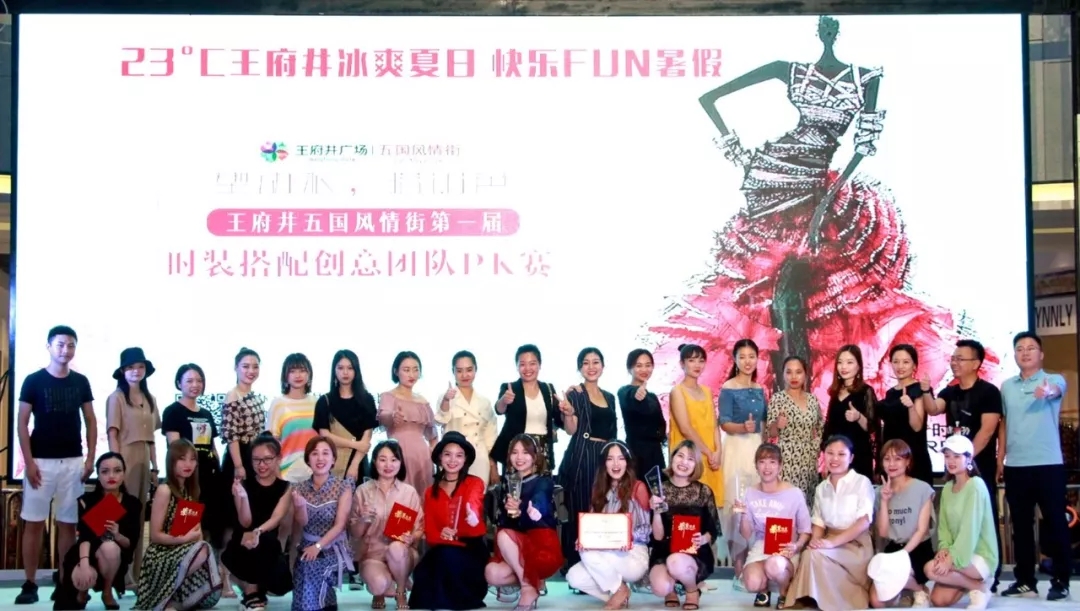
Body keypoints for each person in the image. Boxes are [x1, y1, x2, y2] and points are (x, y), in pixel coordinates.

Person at [16, 325, 97, 605]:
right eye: (60, 344)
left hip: (73, 462)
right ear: (49, 346)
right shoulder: (33, 381)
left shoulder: (81, 381)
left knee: (68, 525)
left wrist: (90, 458)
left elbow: (91, 420)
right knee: (34, 523)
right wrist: (29, 462)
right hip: (40, 462)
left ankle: (64, 581)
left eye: (71, 345)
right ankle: (29, 583)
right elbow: (22, 423)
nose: (66, 350)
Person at [998, 331, 1071, 601]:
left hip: (1048, 465)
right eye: (1020, 348)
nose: (1025, 352)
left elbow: (1055, 390)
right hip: (1016, 466)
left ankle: (1061, 580)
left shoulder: (1054, 379)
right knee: (1021, 527)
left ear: (1041, 354)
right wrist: (1000, 459)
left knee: (1055, 523)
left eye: (1030, 348)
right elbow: (1005, 424)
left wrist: (1047, 391)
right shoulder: (1007, 386)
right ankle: (1025, 580)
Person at [931, 339, 1004, 591]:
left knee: (983, 520)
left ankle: (989, 575)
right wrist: (925, 391)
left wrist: (965, 458)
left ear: (976, 363)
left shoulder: (989, 392)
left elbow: (987, 431)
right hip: (955, 470)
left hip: (979, 468)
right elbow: (933, 409)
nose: (954, 362)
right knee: (954, 519)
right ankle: (966, 575)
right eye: (953, 358)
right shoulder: (949, 392)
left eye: (960, 358)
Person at [784, 435, 875, 611]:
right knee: (810, 554)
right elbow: (819, 524)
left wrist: (831, 543)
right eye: (830, 453)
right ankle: (809, 600)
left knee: (817, 556)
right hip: (829, 542)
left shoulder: (861, 483)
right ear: (823, 455)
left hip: (855, 545)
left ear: (851, 458)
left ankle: (840, 602)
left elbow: (863, 522)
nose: (834, 459)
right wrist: (814, 543)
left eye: (841, 454)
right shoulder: (821, 488)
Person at [134, 439, 222, 610]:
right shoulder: (165, 490)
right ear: (171, 461)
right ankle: (163, 598)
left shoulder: (191, 491)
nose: (188, 464)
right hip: (161, 554)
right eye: (182, 459)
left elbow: (196, 533)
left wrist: (197, 544)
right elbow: (155, 536)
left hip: (185, 552)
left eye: (192, 459)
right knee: (202, 549)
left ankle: (173, 599)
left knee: (204, 549)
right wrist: (184, 539)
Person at [409, 431, 490, 610]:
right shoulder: (430, 492)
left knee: (447, 557)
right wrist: (443, 535)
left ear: (465, 459)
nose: (453, 460)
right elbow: (431, 530)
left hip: (470, 548)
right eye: (447, 454)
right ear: (440, 457)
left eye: (459, 455)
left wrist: (472, 516)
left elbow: (474, 502)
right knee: (425, 570)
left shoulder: (475, 483)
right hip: (442, 546)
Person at [566, 441, 652, 610]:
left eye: (621, 458)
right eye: (610, 459)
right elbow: (591, 525)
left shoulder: (638, 487)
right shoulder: (598, 489)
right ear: (604, 463)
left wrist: (622, 537)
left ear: (627, 462)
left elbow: (645, 532)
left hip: (633, 553)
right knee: (573, 577)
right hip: (604, 553)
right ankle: (619, 591)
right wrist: (583, 538)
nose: (615, 464)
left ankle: (618, 590)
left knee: (588, 552)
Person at [53, 452, 143, 611]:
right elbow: (84, 537)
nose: (111, 476)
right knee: (69, 600)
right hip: (84, 553)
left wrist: (117, 535)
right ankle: (82, 591)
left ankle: (107, 592)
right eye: (105, 471)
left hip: (114, 558)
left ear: (124, 473)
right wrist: (84, 565)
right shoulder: (86, 500)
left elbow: (130, 544)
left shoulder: (132, 503)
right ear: (98, 475)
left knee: (110, 547)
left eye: (117, 470)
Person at [485, 434, 564, 611]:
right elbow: (503, 520)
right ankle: (533, 580)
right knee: (492, 573)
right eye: (515, 452)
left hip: (540, 545)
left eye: (525, 452)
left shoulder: (543, 481)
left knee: (504, 536)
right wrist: (510, 512)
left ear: (535, 456)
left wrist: (527, 510)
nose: (519, 457)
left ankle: (528, 589)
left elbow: (540, 502)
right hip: (515, 549)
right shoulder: (507, 482)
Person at [557, 347, 617, 572]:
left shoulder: (610, 397)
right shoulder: (575, 394)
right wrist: (568, 413)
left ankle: (601, 566)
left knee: (603, 509)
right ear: (579, 368)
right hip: (582, 456)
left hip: (605, 457)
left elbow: (613, 432)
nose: (591, 367)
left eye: (595, 362)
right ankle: (576, 566)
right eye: (585, 363)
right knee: (580, 510)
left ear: (603, 366)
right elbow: (571, 430)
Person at [105, 347, 161, 585]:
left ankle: (136, 574)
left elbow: (153, 438)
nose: (136, 371)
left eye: (140, 367)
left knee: (138, 517)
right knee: (118, 514)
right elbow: (112, 433)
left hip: (144, 459)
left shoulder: (150, 399)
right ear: (122, 371)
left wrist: (155, 467)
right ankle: (117, 575)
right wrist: (115, 466)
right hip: (125, 457)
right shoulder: (116, 397)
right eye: (130, 367)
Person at [924, 436, 999, 610]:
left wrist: (951, 559)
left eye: (957, 456)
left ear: (969, 458)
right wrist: (943, 549)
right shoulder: (947, 488)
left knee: (930, 569)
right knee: (938, 600)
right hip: (958, 554)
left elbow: (969, 530)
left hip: (980, 554)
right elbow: (944, 527)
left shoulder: (976, 485)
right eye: (947, 456)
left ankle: (979, 584)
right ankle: (977, 586)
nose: (951, 461)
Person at [221, 434, 293, 611]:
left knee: (281, 583)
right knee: (250, 547)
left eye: (267, 459)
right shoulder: (242, 484)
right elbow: (245, 522)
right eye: (256, 460)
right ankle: (251, 593)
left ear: (278, 458)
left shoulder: (286, 487)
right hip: (242, 543)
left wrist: (258, 532)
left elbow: (276, 518)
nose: (261, 465)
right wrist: (243, 497)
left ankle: (256, 591)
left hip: (267, 543)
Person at [351, 440, 424, 610]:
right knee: (378, 585)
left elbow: (420, 527)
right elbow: (354, 533)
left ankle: (401, 590)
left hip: (402, 552)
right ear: (374, 461)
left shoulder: (409, 492)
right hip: (372, 555)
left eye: (394, 460)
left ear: (400, 462)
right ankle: (382, 589)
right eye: (382, 459)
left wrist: (412, 537)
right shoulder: (362, 491)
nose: (388, 465)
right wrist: (363, 520)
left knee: (396, 548)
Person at [647, 441, 719, 611]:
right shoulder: (659, 490)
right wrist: (656, 512)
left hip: (695, 552)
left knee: (676, 562)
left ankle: (692, 590)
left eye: (690, 459)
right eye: (680, 456)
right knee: (660, 587)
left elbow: (713, 530)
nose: (684, 462)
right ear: (672, 458)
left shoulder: (704, 492)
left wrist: (703, 539)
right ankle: (671, 588)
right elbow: (657, 537)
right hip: (664, 551)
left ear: (696, 465)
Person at [739, 443, 811, 610]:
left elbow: (806, 530)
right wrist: (742, 514)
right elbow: (746, 534)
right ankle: (764, 590)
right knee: (751, 582)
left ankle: (784, 592)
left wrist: (797, 546)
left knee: (775, 565)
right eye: (762, 462)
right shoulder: (749, 493)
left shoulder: (794, 493)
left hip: (786, 547)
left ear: (780, 466)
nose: (767, 467)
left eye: (772, 462)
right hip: (761, 546)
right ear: (756, 466)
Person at [290, 437, 359, 611]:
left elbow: (340, 525)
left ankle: (314, 607)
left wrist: (318, 546)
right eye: (315, 454)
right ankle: (328, 604)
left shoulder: (343, 487)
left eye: (325, 453)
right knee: (302, 574)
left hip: (335, 548)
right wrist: (299, 506)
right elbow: (302, 522)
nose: (320, 458)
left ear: (333, 459)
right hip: (307, 546)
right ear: (308, 459)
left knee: (311, 568)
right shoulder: (299, 488)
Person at [868, 439, 935, 608]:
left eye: (898, 459)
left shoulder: (922, 488)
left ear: (907, 462)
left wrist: (902, 555)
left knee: (897, 572)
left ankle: (919, 589)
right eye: (887, 459)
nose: (892, 464)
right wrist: (884, 501)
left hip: (917, 548)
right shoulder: (878, 492)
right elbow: (883, 532)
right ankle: (909, 588)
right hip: (893, 548)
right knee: (877, 602)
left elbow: (921, 530)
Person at [378, 351, 438, 495]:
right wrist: (393, 416)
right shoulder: (388, 396)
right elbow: (383, 417)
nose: (412, 374)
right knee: (400, 496)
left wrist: (434, 455)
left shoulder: (423, 401)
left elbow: (433, 435)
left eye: (415, 369)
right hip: (399, 453)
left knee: (423, 496)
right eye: (406, 370)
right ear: (396, 371)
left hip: (423, 456)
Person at [436, 351, 499, 485]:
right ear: (453, 371)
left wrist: (493, 464)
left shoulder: (484, 401)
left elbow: (490, 437)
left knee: (478, 495)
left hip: (480, 458)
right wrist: (446, 400)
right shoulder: (446, 397)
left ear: (476, 370)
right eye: (459, 371)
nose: (464, 375)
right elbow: (440, 420)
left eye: (469, 370)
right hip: (454, 459)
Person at [313, 349, 378, 479]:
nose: (345, 372)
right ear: (334, 370)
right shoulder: (324, 401)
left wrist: (354, 465)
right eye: (340, 368)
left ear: (356, 370)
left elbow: (366, 438)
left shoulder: (367, 400)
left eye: (350, 368)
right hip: (332, 462)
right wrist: (355, 444)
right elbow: (324, 435)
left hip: (359, 463)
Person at [616, 349, 667, 481]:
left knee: (657, 491)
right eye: (639, 366)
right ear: (629, 368)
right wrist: (637, 396)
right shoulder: (625, 391)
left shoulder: (652, 396)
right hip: (637, 455)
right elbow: (632, 398)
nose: (644, 369)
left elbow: (660, 425)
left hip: (656, 454)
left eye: (648, 365)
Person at [268, 353, 319, 482]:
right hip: (286, 473)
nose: (298, 375)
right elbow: (271, 442)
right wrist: (276, 473)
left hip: (314, 472)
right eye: (292, 371)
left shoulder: (316, 403)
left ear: (309, 374)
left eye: (302, 370)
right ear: (285, 375)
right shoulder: (278, 404)